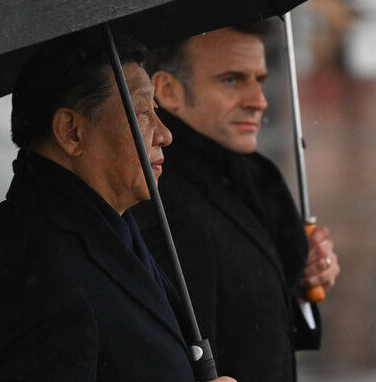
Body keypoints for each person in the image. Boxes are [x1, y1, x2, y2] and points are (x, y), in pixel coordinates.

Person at [0, 32, 236, 382]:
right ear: (72, 132)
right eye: (142, 113)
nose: (164, 133)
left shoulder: (105, 223)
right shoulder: (36, 266)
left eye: (157, 111)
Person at [132, 22, 341, 382]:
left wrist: (300, 283)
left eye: (259, 79)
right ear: (167, 91)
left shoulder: (256, 176)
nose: (258, 101)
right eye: (231, 80)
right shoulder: (161, 198)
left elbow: (258, 325)